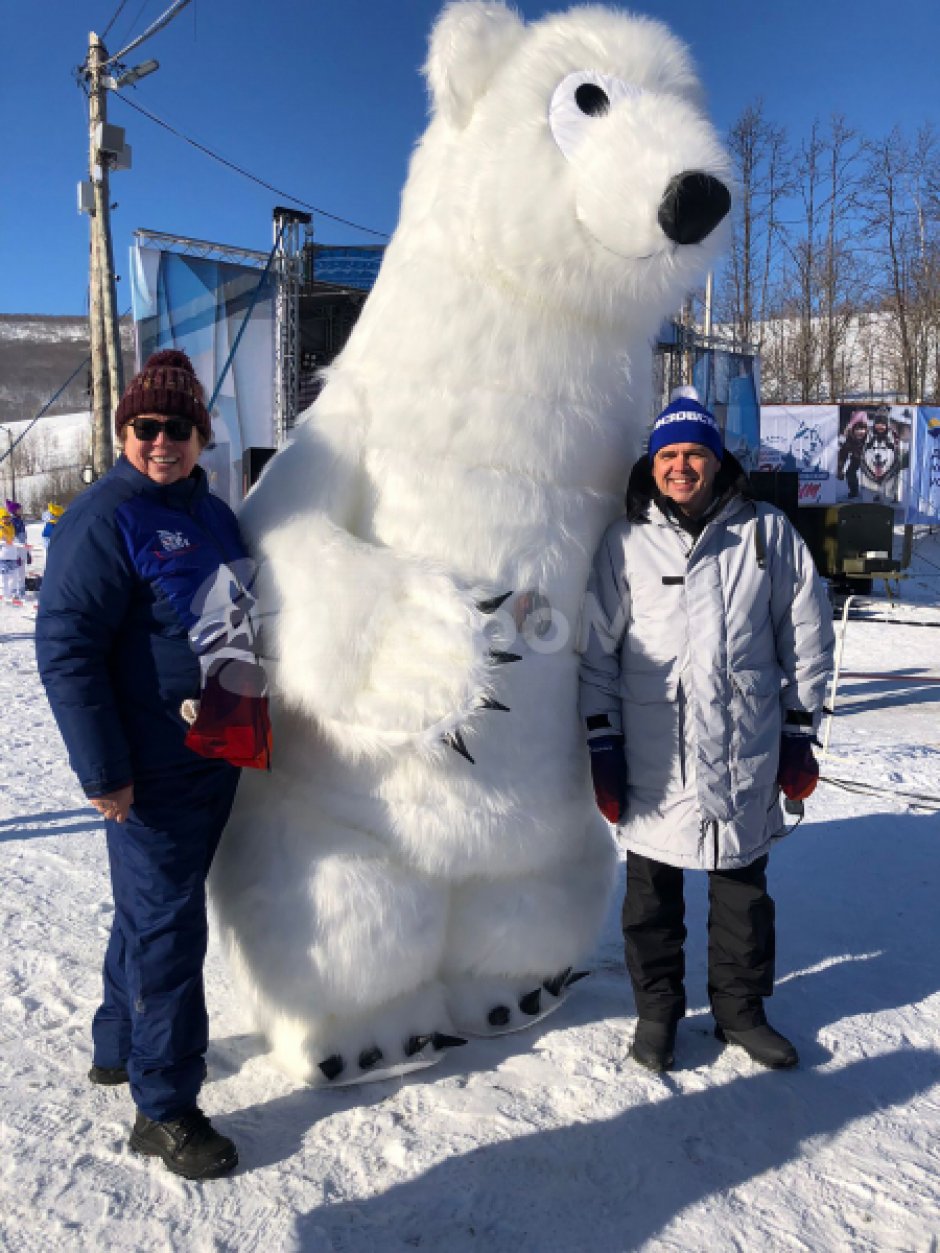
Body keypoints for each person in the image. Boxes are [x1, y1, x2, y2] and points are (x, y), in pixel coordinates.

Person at [36, 349, 272, 1179]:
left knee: (149, 907)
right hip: (152, 763)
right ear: (123, 430)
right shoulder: (106, 516)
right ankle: (163, 1104)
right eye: (147, 425)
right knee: (170, 924)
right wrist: (104, 773)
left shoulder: (211, 511)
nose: (162, 438)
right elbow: (66, 650)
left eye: (179, 425)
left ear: (202, 434)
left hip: (217, 750)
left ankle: (117, 1043)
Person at [578, 388, 834, 1073]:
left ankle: (742, 1013)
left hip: (743, 748)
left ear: (718, 461)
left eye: (695, 452)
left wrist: (799, 731)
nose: (681, 465)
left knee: (743, 898)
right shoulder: (624, 542)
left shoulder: (766, 534)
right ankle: (658, 1014)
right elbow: (597, 655)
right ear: (652, 464)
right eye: (669, 454)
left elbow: (807, 636)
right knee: (649, 902)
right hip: (655, 761)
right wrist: (602, 744)